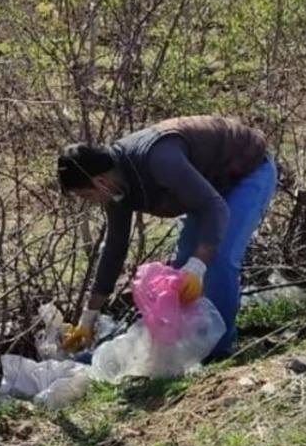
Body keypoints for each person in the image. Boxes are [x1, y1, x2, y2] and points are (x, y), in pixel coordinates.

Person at [56, 115, 277, 360]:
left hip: (248, 172)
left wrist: (199, 265)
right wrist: (89, 316)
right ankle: (195, 342)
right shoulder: (116, 186)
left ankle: (219, 352)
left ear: (100, 181)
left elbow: (215, 208)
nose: (91, 202)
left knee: (218, 258)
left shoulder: (158, 159)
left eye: (86, 196)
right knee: (182, 267)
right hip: (207, 190)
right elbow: (115, 249)